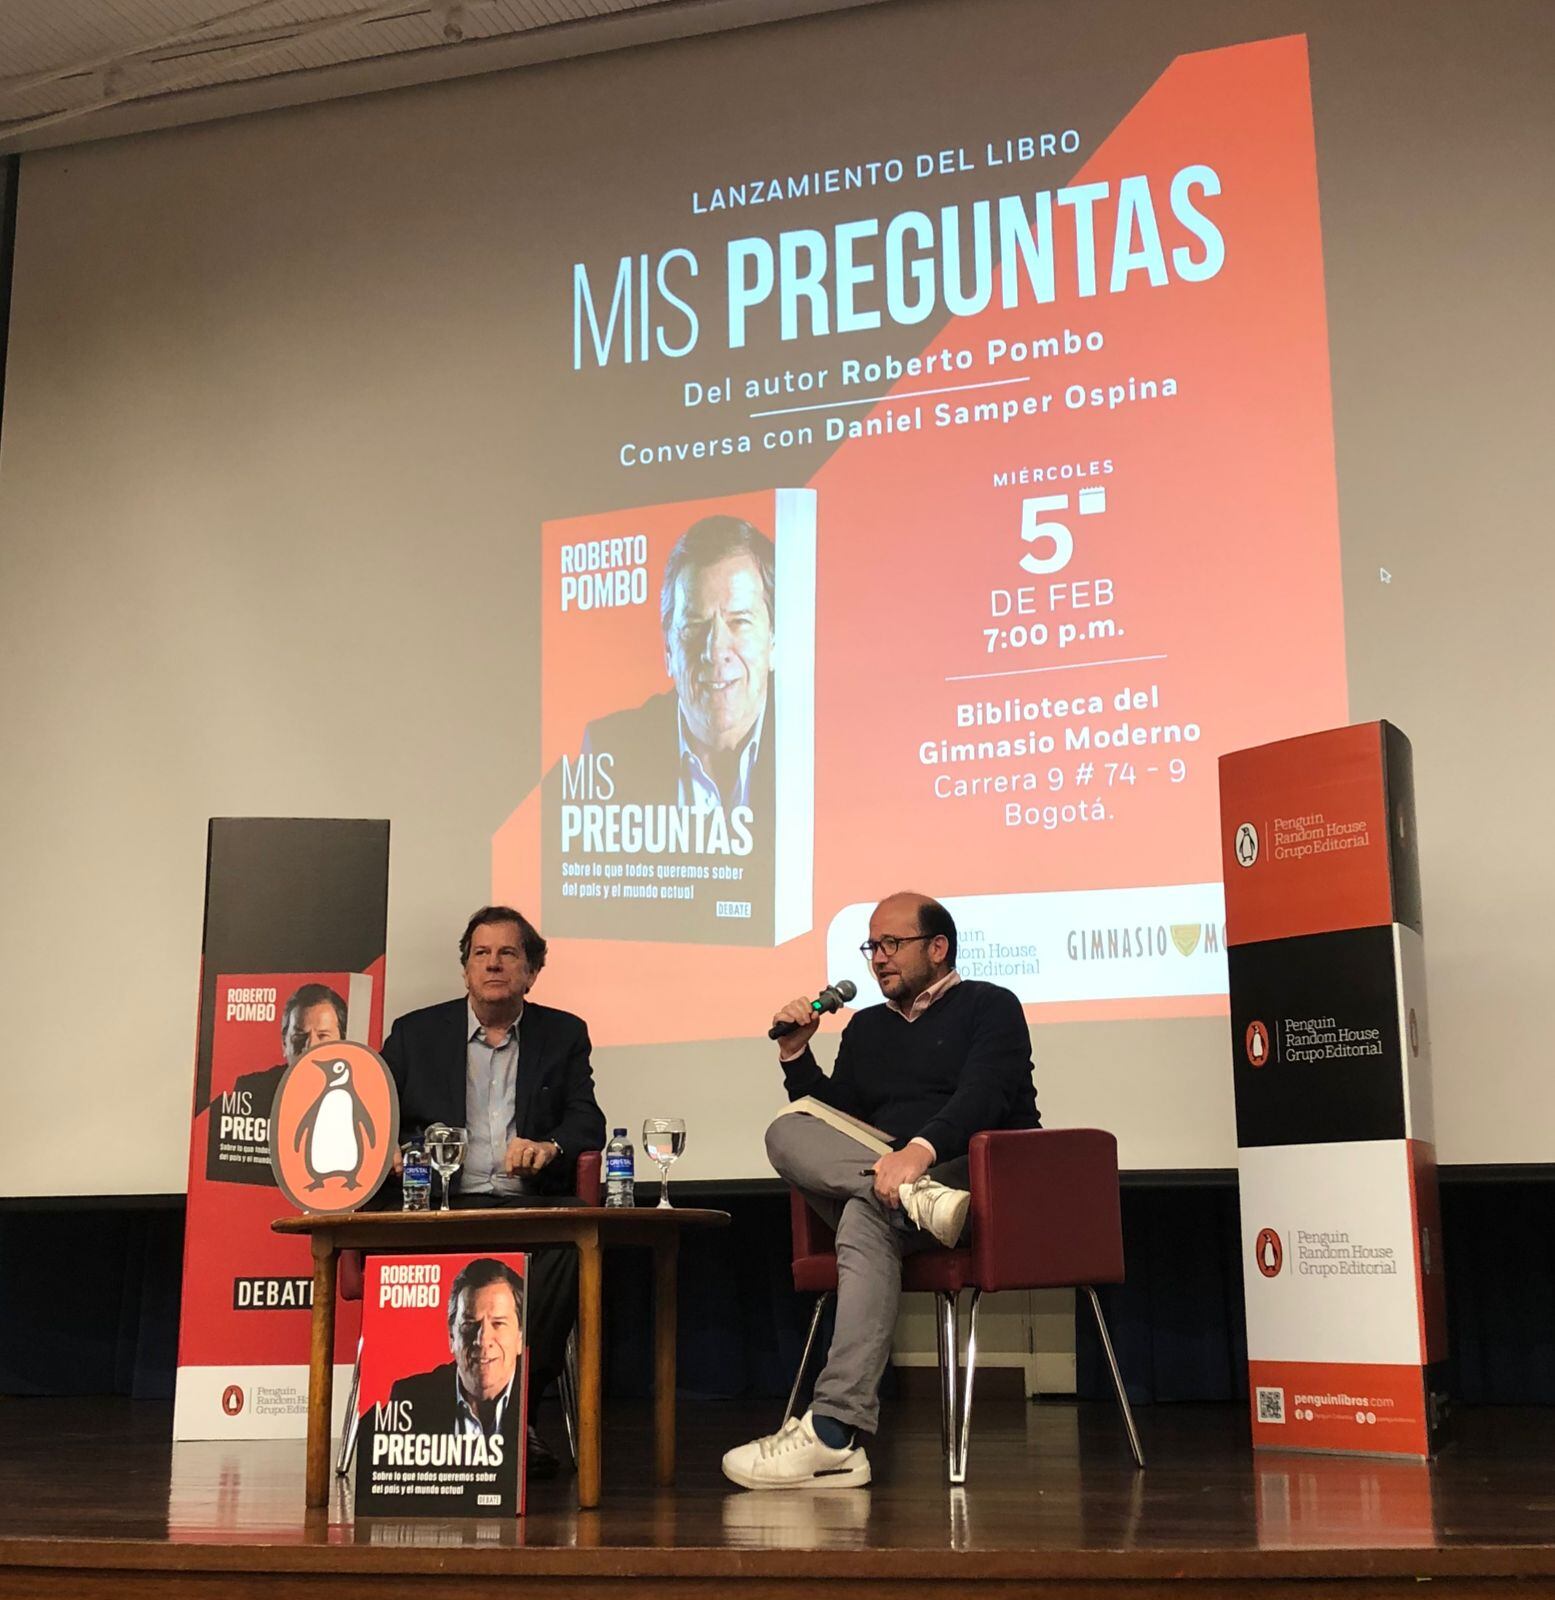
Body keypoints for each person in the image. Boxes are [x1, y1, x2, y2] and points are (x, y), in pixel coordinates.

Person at [721, 892, 1039, 1491]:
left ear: (937, 949)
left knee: (866, 1208)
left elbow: (984, 1098)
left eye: (892, 944)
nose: (878, 958)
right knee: (790, 1130)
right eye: (872, 947)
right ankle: (835, 1437)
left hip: (971, 1181)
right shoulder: (867, 1026)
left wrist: (919, 1154)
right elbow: (840, 1120)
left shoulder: (990, 1006)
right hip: (901, 1188)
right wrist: (796, 1055)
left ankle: (835, 1433)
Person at [380, 905, 606, 1477]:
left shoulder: (563, 1034)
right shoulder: (414, 1035)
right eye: (481, 954)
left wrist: (550, 1146)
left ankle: (515, 1411)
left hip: (526, 1203)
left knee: (570, 1242)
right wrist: (416, 1155)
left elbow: (588, 1122)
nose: (494, 964)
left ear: (531, 972)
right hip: (442, 1205)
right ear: (464, 971)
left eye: (509, 954)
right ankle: (457, 1417)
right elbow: (377, 1121)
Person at [581, 514, 776, 818]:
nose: (714, 650)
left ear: (775, 641)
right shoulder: (610, 750)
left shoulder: (816, 748)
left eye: (739, 621)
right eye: (695, 626)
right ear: (669, 649)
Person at [207, 982, 348, 1186]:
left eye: (323, 1036)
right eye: (300, 1037)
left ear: (343, 1042)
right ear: (285, 1043)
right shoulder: (251, 1092)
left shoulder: (360, 1095)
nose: (311, 1046)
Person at [384, 1257, 526, 1441]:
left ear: (520, 1336)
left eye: (498, 1323)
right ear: (451, 1337)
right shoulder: (412, 1399)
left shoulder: (539, 1401)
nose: (482, 1339)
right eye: (469, 1324)